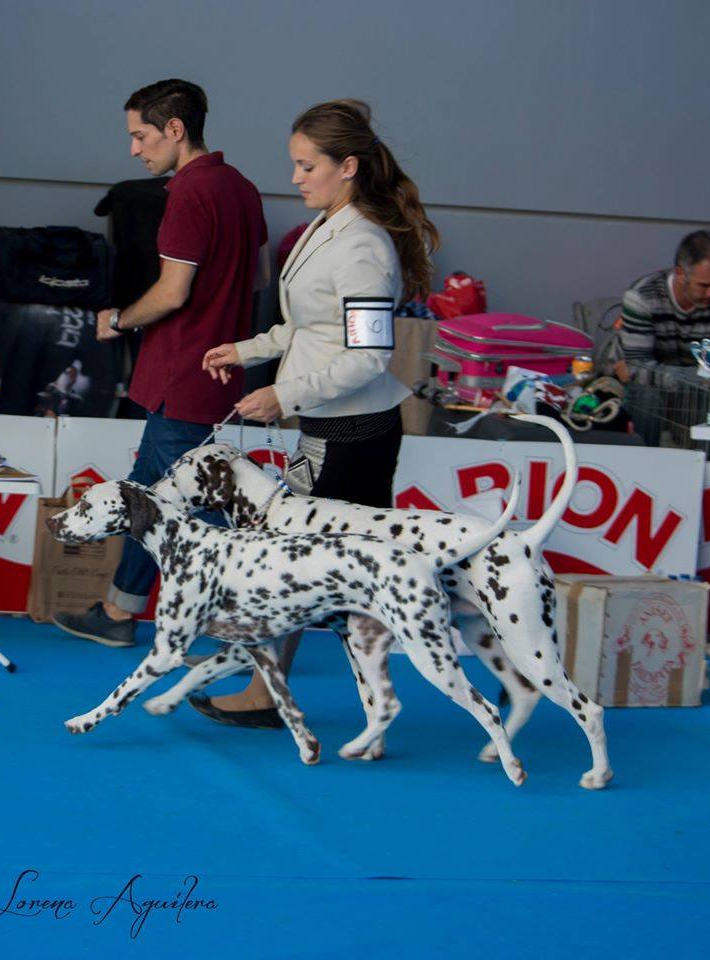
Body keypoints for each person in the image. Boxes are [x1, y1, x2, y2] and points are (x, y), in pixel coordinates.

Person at [189, 98, 439, 727]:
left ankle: (267, 693)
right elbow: (307, 327)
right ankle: (270, 688)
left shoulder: (362, 246)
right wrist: (246, 351)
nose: (295, 177)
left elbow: (369, 357)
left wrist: (283, 395)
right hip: (337, 429)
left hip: (352, 433)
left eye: (307, 166)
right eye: (295, 164)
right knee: (306, 567)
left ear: (347, 166)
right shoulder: (332, 227)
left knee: (294, 565)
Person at [53, 78, 269, 647]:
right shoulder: (242, 188)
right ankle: (119, 611)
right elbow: (260, 278)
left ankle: (241, 634)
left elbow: (172, 293)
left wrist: (119, 319)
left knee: (207, 516)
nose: (134, 149)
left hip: (183, 378)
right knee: (146, 496)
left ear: (175, 129)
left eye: (140, 135)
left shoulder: (190, 193)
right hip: (212, 373)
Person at [619, 230, 710, 374]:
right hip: (643, 388)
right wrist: (702, 376)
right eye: (704, 285)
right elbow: (636, 368)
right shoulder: (642, 298)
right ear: (680, 274)